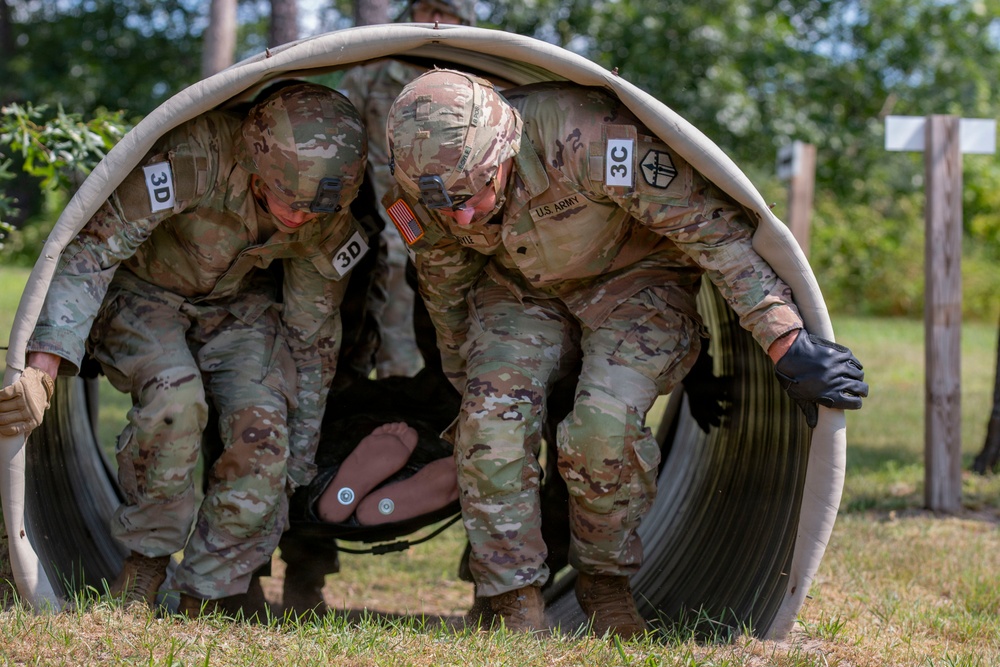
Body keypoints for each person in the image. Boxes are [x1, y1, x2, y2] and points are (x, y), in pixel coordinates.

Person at [383, 69, 869, 638]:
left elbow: (710, 230)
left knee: (602, 428)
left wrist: (786, 342)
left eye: (474, 195)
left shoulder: (588, 139)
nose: (461, 217)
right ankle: (511, 597)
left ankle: (603, 581)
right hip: (519, 289)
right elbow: (445, 291)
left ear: (505, 149)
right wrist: (471, 384)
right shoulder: (417, 196)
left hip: (638, 280)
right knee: (490, 423)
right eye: (446, 207)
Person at [0, 82, 369, 616]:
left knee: (264, 431)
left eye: (313, 209)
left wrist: (301, 453)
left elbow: (312, 335)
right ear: (255, 160)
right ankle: (145, 564)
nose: (298, 218)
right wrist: (41, 367)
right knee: (175, 400)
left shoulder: (326, 216)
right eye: (286, 200)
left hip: (239, 307)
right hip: (144, 293)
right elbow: (93, 251)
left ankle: (202, 595)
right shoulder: (196, 157)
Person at [340, 0, 476, 379]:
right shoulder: (375, 71)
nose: (435, 20)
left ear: (463, 21)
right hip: (392, 224)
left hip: (463, 230)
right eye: (426, 9)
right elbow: (343, 144)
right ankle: (395, 411)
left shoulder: (477, 77)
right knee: (390, 331)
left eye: (447, 13)